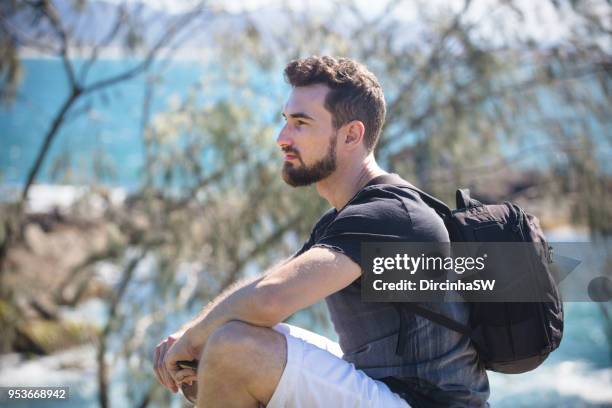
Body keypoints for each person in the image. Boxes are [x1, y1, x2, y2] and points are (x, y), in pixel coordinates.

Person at [153, 56, 490, 407]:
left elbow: (272, 298)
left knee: (234, 348)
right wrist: (193, 337)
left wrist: (191, 338)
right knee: (225, 336)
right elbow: (270, 285)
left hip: (426, 404)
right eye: (285, 121)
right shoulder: (345, 218)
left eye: (301, 123)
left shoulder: (388, 215)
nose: (282, 138)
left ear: (351, 135)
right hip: (389, 392)